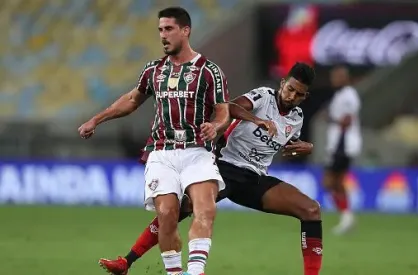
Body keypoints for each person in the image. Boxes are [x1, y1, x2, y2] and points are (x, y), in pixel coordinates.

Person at [99, 63, 323, 275]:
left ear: (306, 96)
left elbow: (290, 141)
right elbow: (230, 107)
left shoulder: (297, 118)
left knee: (311, 210)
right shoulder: (264, 97)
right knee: (181, 207)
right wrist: (257, 120)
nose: (292, 96)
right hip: (225, 166)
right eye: (290, 89)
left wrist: (307, 146)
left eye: (299, 94)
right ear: (282, 83)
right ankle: (126, 261)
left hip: (254, 178)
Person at [79, 7, 233, 275]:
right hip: (162, 152)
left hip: (197, 150)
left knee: (205, 208)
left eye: (169, 29)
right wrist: (97, 119)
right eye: (160, 30)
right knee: (166, 215)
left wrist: (217, 126)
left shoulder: (209, 71)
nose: (163, 35)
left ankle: (195, 272)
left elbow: (223, 110)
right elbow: (131, 100)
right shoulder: (153, 70)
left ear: (185, 31)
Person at [322, 65, 362, 235]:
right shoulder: (339, 95)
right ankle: (347, 217)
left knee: (330, 182)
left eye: (338, 77)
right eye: (333, 77)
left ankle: (347, 216)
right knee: (336, 182)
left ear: (346, 78)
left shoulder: (348, 96)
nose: (334, 80)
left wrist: (331, 119)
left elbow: (346, 121)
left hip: (343, 145)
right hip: (338, 144)